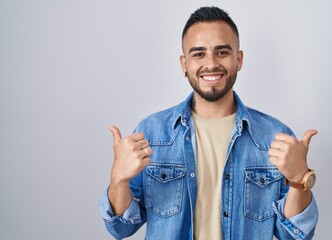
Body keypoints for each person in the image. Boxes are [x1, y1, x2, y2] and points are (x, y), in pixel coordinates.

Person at [99, 6, 318, 240]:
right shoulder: (151, 133)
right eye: (199, 54)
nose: (211, 64)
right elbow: (120, 228)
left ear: (239, 59)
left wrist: (298, 182)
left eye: (222, 52)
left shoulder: (274, 137)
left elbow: (294, 236)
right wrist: (118, 179)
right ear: (184, 64)